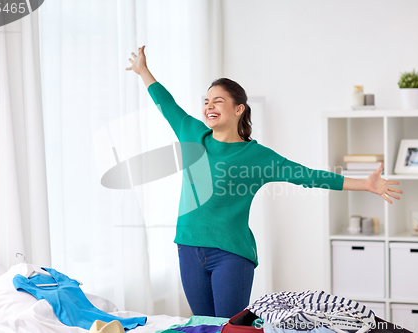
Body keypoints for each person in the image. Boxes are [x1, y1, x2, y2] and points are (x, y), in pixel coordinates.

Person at [126, 45, 403, 318]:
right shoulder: (192, 133)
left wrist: (365, 184)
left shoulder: (256, 155)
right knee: (205, 326)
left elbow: (308, 176)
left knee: (230, 327)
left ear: (238, 109)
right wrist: (143, 71)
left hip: (230, 255)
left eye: (218, 101)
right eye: (206, 101)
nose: (209, 106)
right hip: (188, 248)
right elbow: (167, 104)